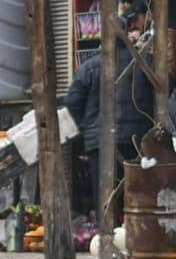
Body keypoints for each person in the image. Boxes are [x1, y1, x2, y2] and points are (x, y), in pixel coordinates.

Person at [61, 23, 154, 225]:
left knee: (105, 199)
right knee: (137, 197)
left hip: (101, 144)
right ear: (126, 37)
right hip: (137, 141)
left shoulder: (90, 67)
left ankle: (107, 242)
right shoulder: (145, 63)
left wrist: (86, 131)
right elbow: (162, 96)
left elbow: (71, 105)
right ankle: (136, 242)